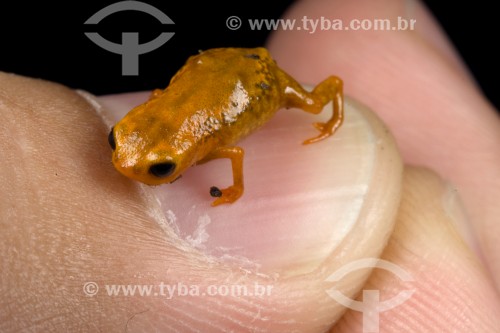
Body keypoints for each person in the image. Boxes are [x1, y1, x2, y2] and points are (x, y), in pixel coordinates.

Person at [1, 0, 499, 331]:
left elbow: (235, 152)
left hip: (263, 80)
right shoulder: (158, 121)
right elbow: (161, 98)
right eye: (117, 138)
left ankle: (333, 103)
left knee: (308, 99)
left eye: (157, 169)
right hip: (219, 67)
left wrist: (236, 192)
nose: (121, 163)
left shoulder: (214, 142)